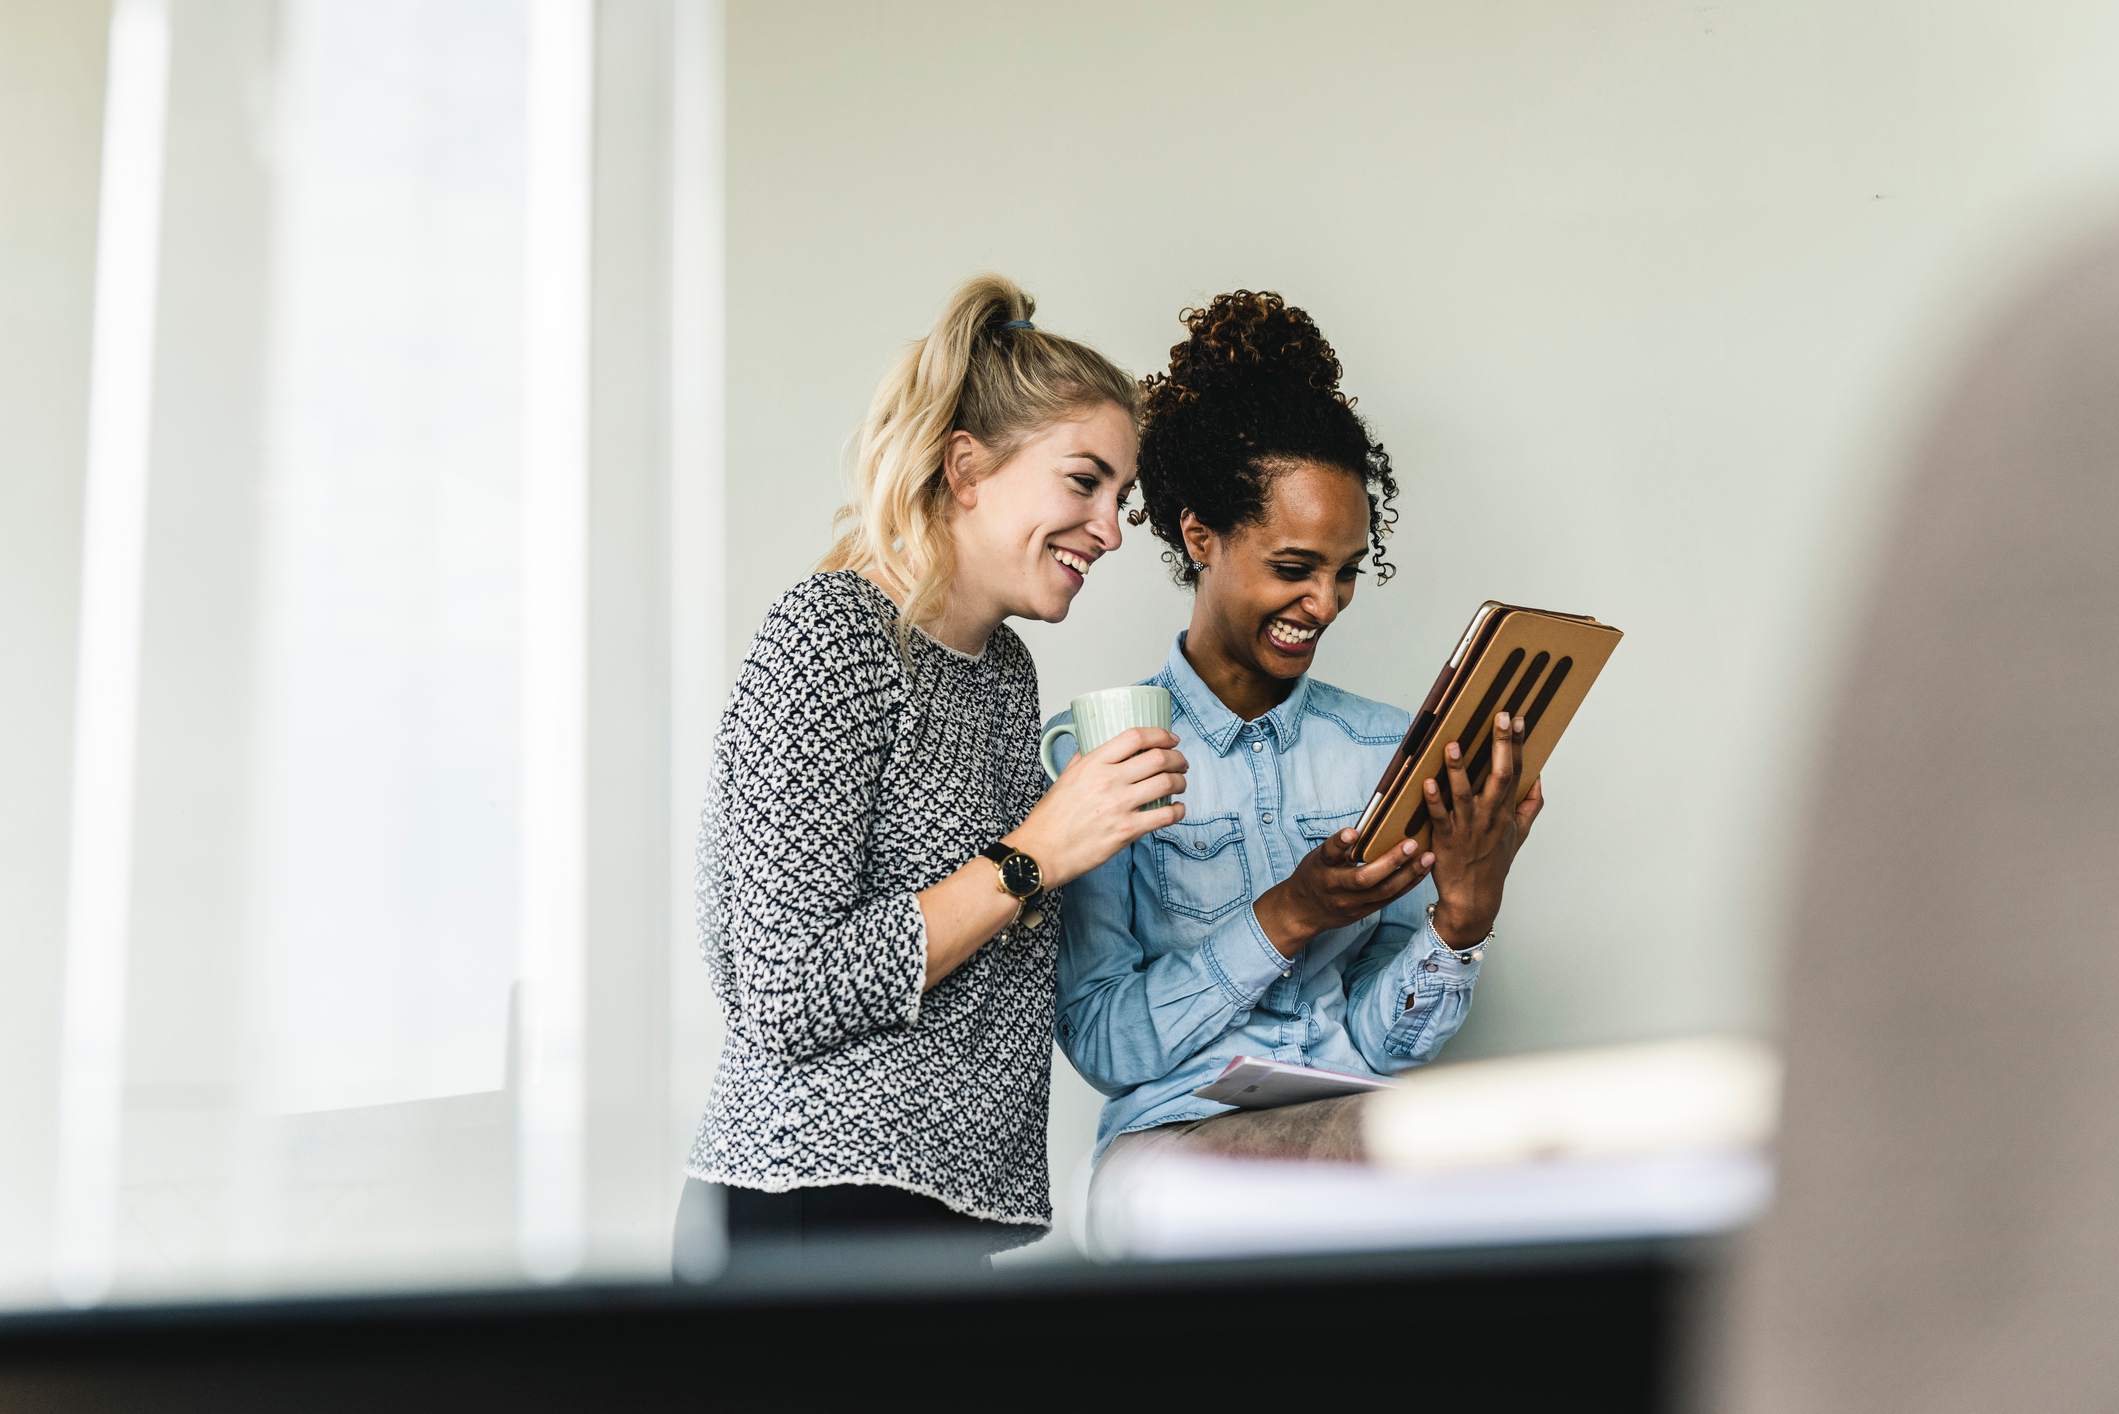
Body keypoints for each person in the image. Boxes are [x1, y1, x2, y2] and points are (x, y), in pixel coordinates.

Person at [675, 275, 1188, 1272]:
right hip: (809, 1204)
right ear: (966, 469)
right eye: (1084, 482)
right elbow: (787, 992)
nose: (1113, 528)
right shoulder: (829, 633)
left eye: (1118, 497)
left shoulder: (1003, 675)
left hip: (940, 1218)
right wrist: (1037, 851)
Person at [1053, 291, 1544, 1198]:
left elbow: (1374, 1043)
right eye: (1292, 568)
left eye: (1345, 571)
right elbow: (1106, 1044)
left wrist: (1460, 922)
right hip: (1170, 1140)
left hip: (1341, 1121)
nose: (1324, 604)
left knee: (1488, 1148)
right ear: (1199, 534)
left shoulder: (1381, 748)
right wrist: (1286, 916)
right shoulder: (1100, 751)